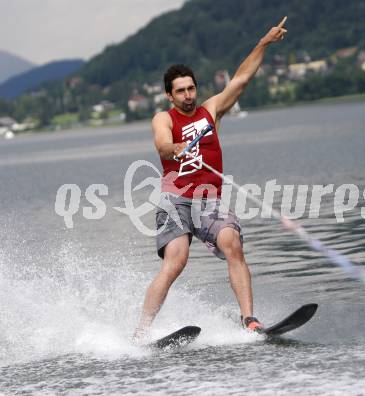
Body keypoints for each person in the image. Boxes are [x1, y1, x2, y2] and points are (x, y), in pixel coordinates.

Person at [133, 17, 287, 343]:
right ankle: (141, 333)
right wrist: (172, 147)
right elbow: (161, 142)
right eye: (181, 91)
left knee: (232, 243)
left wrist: (263, 43)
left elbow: (242, 79)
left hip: (208, 199)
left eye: (191, 88)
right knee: (176, 261)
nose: (188, 95)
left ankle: (250, 321)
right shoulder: (164, 118)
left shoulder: (210, 111)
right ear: (169, 95)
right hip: (174, 199)